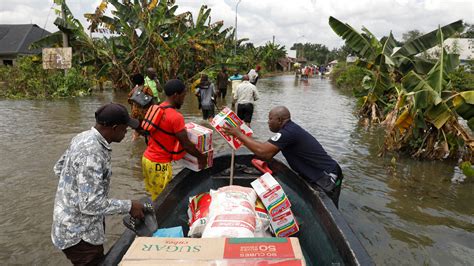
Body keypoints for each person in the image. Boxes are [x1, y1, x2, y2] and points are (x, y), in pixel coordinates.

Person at [51, 103, 146, 265]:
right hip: (79, 236)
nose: (127, 132)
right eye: (125, 128)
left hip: (66, 222)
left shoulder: (82, 137)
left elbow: (59, 169)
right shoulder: (92, 153)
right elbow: (90, 205)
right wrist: (130, 206)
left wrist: (76, 193)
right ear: (115, 128)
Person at [222, 106, 344, 208]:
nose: (268, 122)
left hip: (328, 176)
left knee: (329, 207)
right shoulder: (288, 130)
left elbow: (264, 152)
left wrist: (238, 134)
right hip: (320, 173)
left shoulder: (288, 133)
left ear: (280, 120)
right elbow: (265, 151)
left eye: (270, 119)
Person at [142, 79, 207, 200]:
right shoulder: (176, 117)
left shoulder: (157, 108)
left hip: (147, 159)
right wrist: (201, 157)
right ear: (176, 95)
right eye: (183, 96)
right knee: (163, 200)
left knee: (154, 195)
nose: (183, 100)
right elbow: (186, 144)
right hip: (159, 164)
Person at [128, 73, 155, 140]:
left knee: (136, 131)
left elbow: (129, 100)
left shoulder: (134, 90)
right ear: (143, 81)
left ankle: (134, 146)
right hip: (145, 114)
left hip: (135, 114)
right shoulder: (146, 89)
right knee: (148, 131)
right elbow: (152, 101)